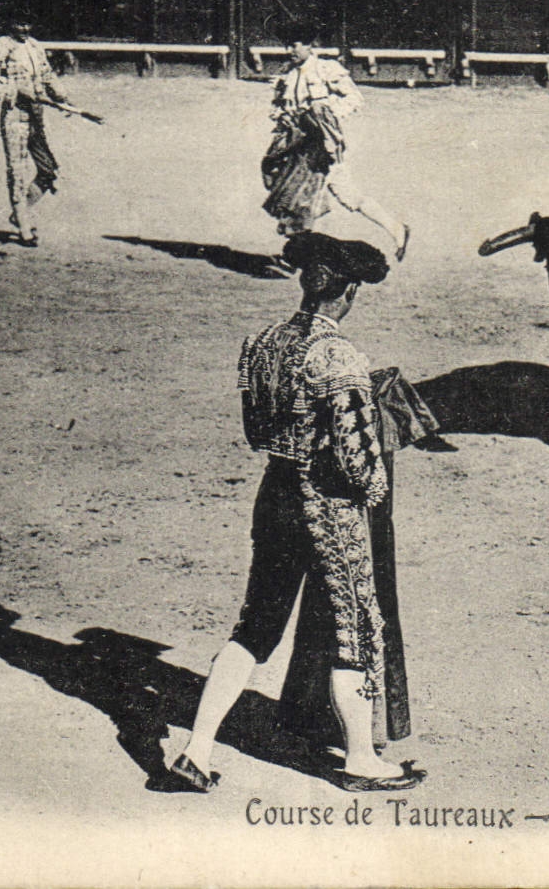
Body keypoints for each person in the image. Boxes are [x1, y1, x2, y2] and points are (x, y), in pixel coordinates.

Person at [171, 232, 425, 793]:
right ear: (349, 291)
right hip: (326, 504)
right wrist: (374, 488)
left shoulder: (260, 344)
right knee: (354, 628)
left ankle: (196, 749)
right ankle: (360, 759)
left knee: (256, 625)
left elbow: (254, 431)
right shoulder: (338, 354)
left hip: (275, 495)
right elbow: (357, 457)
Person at [261, 25, 410, 260]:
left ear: (309, 45)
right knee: (311, 194)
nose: (290, 50)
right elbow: (278, 107)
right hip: (295, 146)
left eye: (295, 45)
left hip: (322, 146)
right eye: (287, 45)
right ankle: (396, 229)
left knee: (312, 196)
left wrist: (326, 115)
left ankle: (296, 256)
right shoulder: (287, 73)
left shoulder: (326, 69)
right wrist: (284, 119)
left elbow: (354, 98)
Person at [0, 12, 78, 246]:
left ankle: (18, 214)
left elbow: (47, 76)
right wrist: (15, 91)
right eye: (19, 24)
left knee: (48, 170)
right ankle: (24, 226)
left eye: (27, 23)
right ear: (9, 23)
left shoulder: (35, 46)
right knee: (17, 171)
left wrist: (63, 99)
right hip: (15, 116)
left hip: (36, 116)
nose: (24, 28)